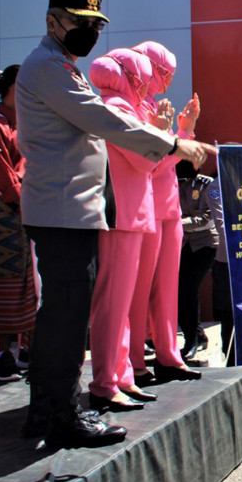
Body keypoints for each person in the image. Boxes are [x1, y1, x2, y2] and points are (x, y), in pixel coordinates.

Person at [15, 0, 214, 449]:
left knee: (64, 314)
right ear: (51, 22)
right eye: (80, 23)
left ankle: (47, 410)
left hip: (72, 209)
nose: (89, 32)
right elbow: (102, 120)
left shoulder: (60, 66)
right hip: (63, 209)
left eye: (96, 25)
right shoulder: (48, 68)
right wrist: (172, 142)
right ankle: (62, 415)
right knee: (68, 316)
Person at [125, 41, 204, 386]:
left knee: (167, 287)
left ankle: (168, 355)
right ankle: (134, 361)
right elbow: (152, 163)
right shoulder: (129, 108)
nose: (168, 81)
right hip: (147, 209)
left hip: (167, 206)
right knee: (139, 289)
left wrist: (182, 129)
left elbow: (168, 160)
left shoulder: (150, 107)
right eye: (163, 73)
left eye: (171, 74)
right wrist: (174, 133)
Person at [87, 49, 158, 413]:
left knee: (120, 305)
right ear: (130, 77)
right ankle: (105, 382)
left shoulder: (122, 106)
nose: (148, 84)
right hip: (121, 217)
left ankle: (120, 375)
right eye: (144, 77)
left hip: (128, 216)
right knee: (113, 306)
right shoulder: (116, 107)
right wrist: (162, 132)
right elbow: (146, 157)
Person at [0, 66, 38, 382]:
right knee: (9, 279)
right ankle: (5, 355)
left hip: (25, 207)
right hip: (7, 209)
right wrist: (24, 195)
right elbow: (0, 173)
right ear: (15, 86)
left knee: (30, 280)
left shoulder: (21, 122)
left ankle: (25, 350)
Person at [177, 159, 218, 358]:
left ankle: (192, 339)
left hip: (205, 244)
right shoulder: (174, 183)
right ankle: (197, 336)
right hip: (184, 243)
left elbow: (206, 218)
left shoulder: (206, 184)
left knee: (189, 288)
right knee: (180, 291)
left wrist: (175, 223)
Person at [206, 182, 235, 365]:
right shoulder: (216, 187)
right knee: (228, 315)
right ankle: (231, 362)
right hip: (228, 262)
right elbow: (221, 224)